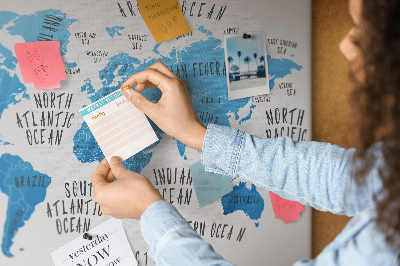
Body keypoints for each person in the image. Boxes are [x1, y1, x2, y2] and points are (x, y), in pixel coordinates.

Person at [91, 0, 400, 264]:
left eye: (364, 30)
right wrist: (195, 134)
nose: (346, 47)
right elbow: (342, 178)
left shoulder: (385, 247)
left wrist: (149, 211)